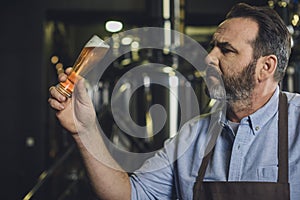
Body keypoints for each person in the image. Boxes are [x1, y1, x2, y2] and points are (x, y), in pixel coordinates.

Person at [48, 3, 300, 200]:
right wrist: (84, 129)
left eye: (226, 50)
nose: (208, 57)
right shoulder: (191, 136)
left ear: (266, 67)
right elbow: (130, 195)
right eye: (211, 47)